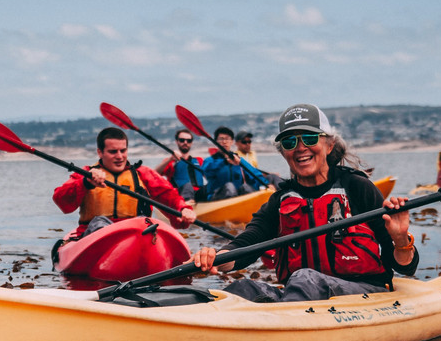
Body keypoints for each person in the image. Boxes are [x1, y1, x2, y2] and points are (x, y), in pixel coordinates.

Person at [191, 103, 418, 302]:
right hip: (304, 297)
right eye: (290, 142)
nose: (300, 148)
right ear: (284, 153)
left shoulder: (357, 188)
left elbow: (406, 267)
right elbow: (246, 246)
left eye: (309, 138)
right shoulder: (280, 201)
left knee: (305, 277)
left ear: (329, 145)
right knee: (241, 289)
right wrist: (214, 258)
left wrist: (400, 240)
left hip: (364, 294)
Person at [52, 127, 197, 238]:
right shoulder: (87, 173)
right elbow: (61, 201)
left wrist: (184, 209)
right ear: (100, 152)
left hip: (134, 233)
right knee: (99, 221)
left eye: (123, 150)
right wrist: (86, 183)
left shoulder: (142, 174)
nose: (120, 156)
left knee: (145, 222)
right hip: (97, 234)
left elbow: (169, 196)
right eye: (113, 151)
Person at [202, 126, 265, 199]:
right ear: (216, 142)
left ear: (232, 141)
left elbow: (255, 173)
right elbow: (206, 172)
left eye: (227, 139)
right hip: (216, 197)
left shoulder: (237, 159)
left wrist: (267, 183)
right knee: (230, 186)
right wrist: (224, 162)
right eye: (221, 139)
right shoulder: (210, 160)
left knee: (246, 187)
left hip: (237, 197)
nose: (224, 142)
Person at [155, 128, 207, 204]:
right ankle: (188, 204)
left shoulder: (199, 160)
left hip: (198, 194)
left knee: (209, 188)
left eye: (188, 141)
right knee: (187, 186)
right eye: (182, 140)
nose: (185, 142)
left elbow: (210, 176)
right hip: (179, 196)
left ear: (191, 143)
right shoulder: (170, 161)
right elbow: (155, 173)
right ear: (177, 142)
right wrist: (170, 159)